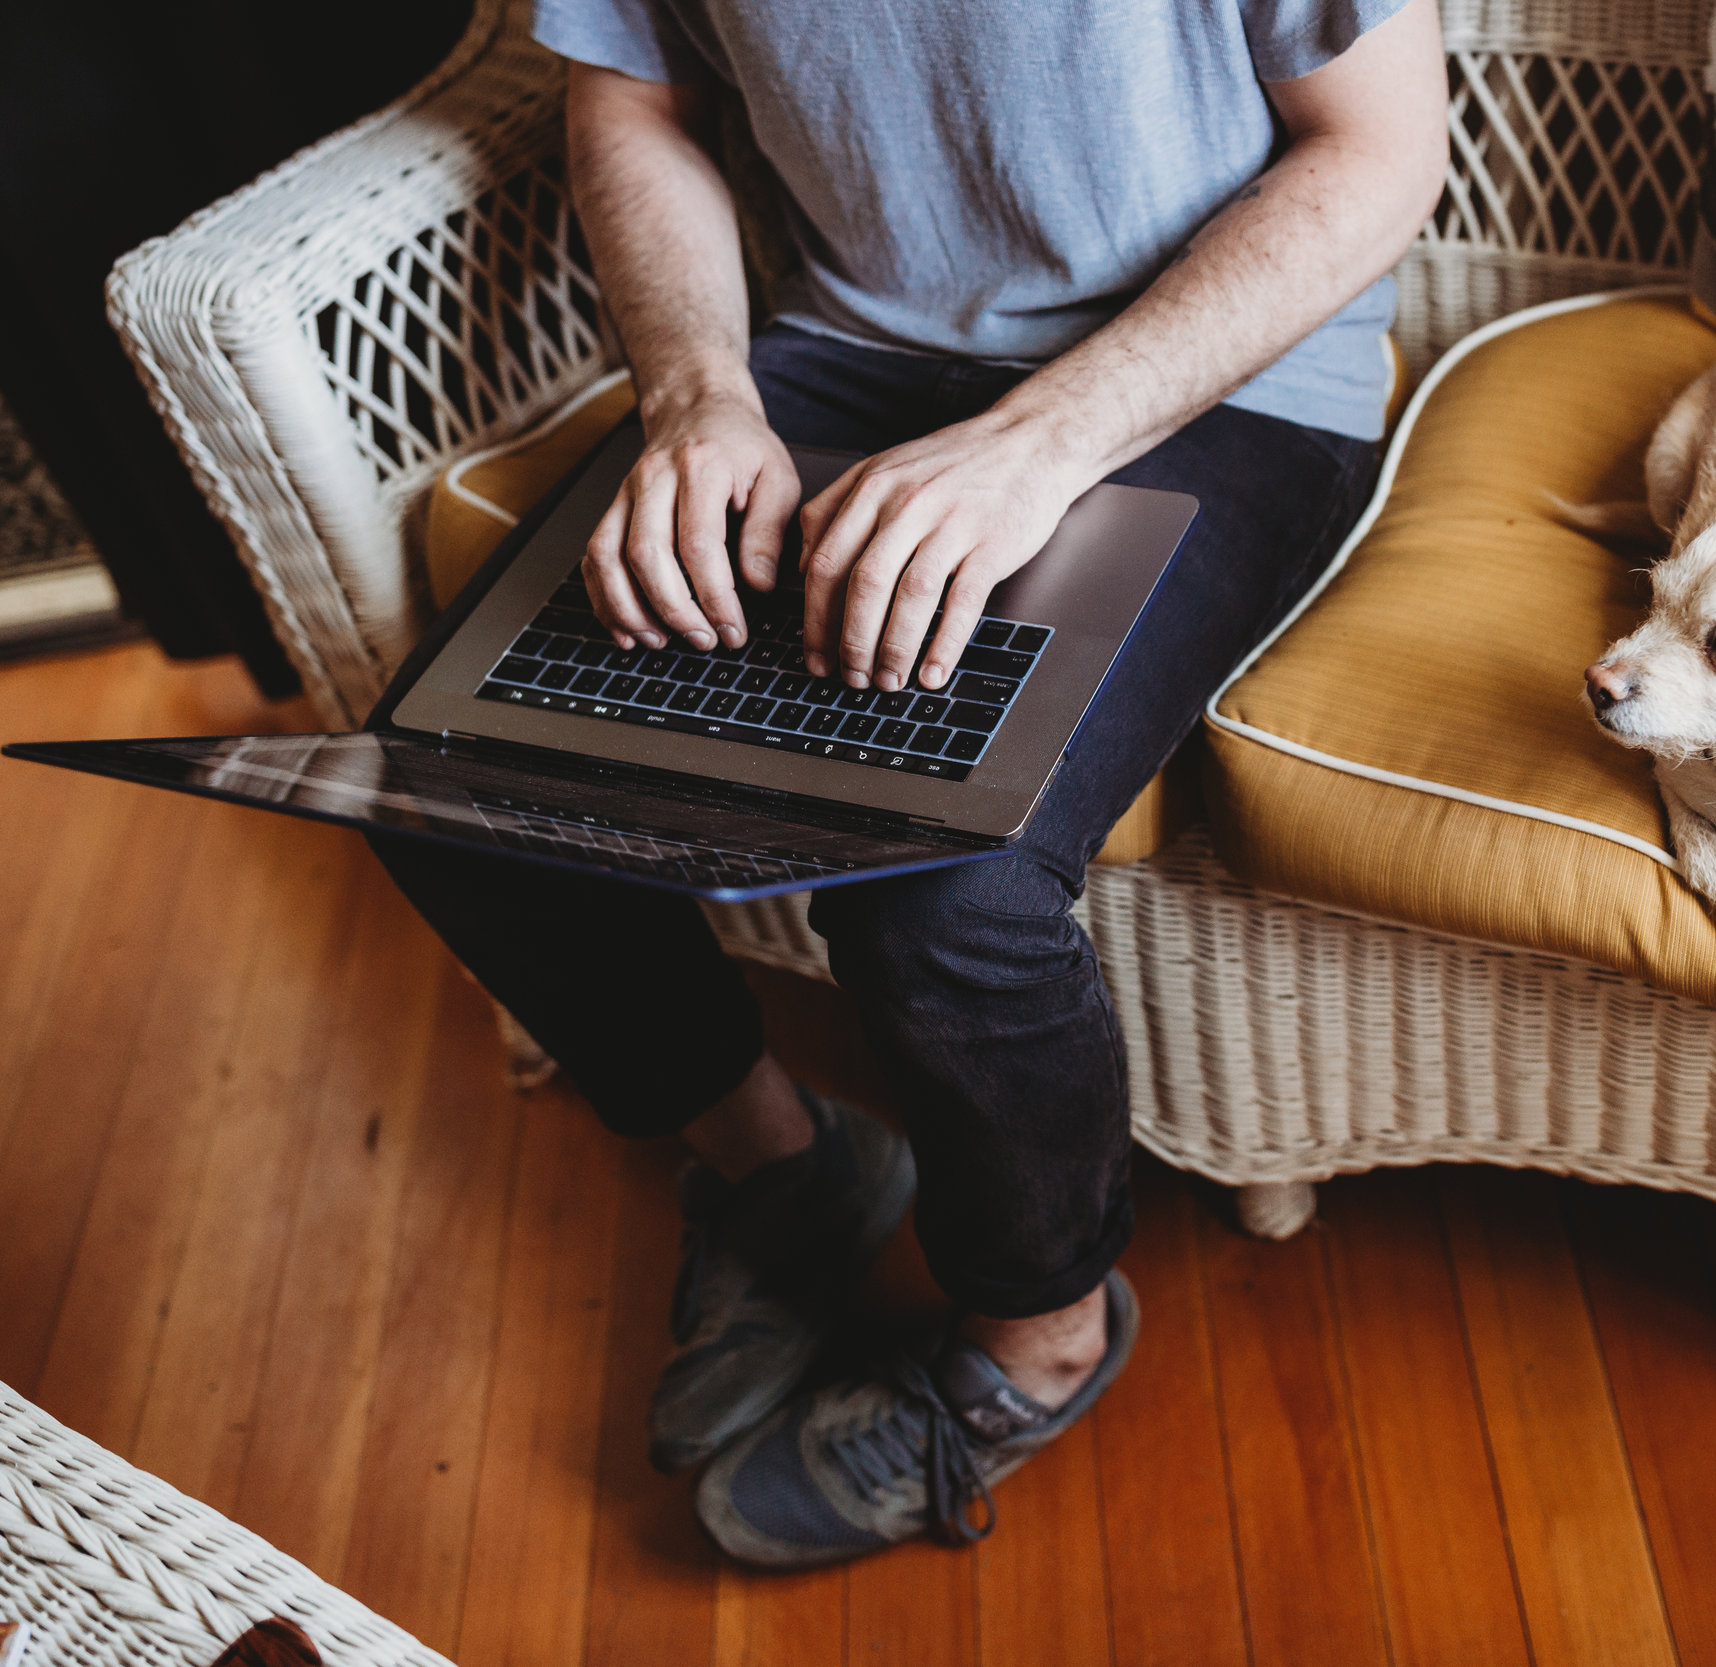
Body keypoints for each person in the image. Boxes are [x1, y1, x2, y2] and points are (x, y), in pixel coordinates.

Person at [369, 0, 1447, 1567]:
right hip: (845, 355)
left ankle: (1042, 1337)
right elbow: (633, 103)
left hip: (1225, 385)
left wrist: (1038, 441)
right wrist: (695, 397)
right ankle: (787, 1171)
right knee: (450, 789)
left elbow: (1378, 150)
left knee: (946, 889)